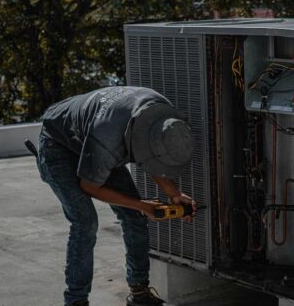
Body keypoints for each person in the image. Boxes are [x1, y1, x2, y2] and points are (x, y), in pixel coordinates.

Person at [36, 86, 196, 306]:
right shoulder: (108, 140)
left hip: (94, 135)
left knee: (134, 218)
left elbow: (151, 153)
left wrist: (174, 193)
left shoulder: (161, 113)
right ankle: (76, 301)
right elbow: (90, 187)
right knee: (85, 222)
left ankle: (140, 293)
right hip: (57, 143)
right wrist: (142, 205)